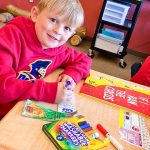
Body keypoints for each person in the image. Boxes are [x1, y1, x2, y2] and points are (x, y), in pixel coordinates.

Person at [0, 0, 92, 119]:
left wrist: (72, 74)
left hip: (18, 110)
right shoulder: (10, 37)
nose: (58, 31)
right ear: (35, 14)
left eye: (67, 28)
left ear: (71, 34)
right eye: (53, 20)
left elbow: (84, 59)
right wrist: (47, 92)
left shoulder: (59, 49)